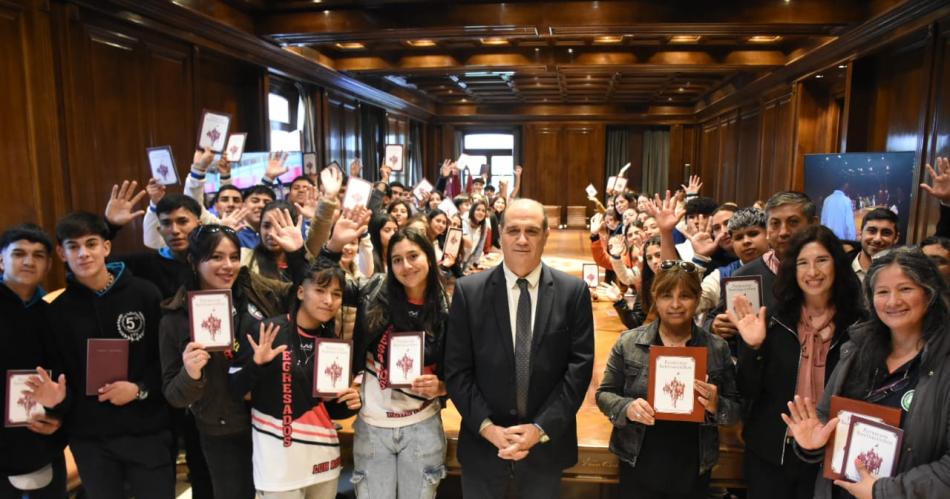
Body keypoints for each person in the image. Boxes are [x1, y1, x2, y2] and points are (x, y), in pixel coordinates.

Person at [445, 198, 595, 499]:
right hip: (484, 447)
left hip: (545, 451)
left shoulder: (573, 292)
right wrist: (489, 429)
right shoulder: (469, 292)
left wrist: (539, 429)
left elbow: (578, 372)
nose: (522, 240)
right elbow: (457, 371)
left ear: (546, 235)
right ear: (500, 235)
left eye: (531, 231)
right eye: (513, 230)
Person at [778, 247, 950, 499]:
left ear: (929, 293)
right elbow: (827, 417)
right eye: (882, 292)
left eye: (905, 289)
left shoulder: (944, 362)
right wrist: (814, 443)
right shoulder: (856, 351)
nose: (893, 301)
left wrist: (882, 492)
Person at [36, 212, 174, 499]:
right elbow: (59, 375)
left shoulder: (145, 294)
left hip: (147, 430)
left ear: (106, 247)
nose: (84, 253)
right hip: (90, 439)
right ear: (61, 253)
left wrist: (139, 389)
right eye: (73, 247)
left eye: (91, 244)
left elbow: (166, 359)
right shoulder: (55, 311)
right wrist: (57, 402)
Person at [159, 224, 295, 499]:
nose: (228, 265)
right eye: (216, 257)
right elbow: (173, 394)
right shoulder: (175, 320)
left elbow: (305, 292)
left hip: (273, 421)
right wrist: (191, 373)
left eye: (234, 256)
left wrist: (301, 251)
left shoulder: (256, 293)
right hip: (222, 429)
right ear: (194, 262)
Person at [728, 225, 865, 499]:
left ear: (837, 265)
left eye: (822, 260)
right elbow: (747, 390)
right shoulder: (773, 319)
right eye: (803, 263)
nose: (812, 272)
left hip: (833, 452)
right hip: (773, 451)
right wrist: (753, 347)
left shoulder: (860, 326)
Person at [321, 216, 452, 499]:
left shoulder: (446, 310)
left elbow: (461, 367)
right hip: (373, 424)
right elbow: (323, 282)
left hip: (421, 423)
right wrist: (332, 247)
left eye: (413, 256)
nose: (406, 266)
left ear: (429, 257)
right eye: (396, 260)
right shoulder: (374, 290)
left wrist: (443, 387)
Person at [596, 261, 740, 499]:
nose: (675, 304)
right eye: (666, 295)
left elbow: (735, 409)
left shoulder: (717, 348)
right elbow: (604, 394)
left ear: (697, 298)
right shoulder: (629, 343)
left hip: (693, 465)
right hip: (638, 459)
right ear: (655, 296)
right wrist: (627, 407)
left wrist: (717, 405)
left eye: (685, 296)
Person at [230, 260, 361, 499]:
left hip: (324, 463)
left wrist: (351, 401)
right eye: (320, 291)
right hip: (277, 468)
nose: (328, 300)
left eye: (336, 294)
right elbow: (234, 391)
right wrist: (257, 365)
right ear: (301, 291)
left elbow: (329, 408)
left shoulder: (333, 345)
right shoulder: (269, 331)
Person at [0, 224, 67, 499]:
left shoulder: (58, 316)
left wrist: (59, 416)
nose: (29, 261)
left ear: (49, 264)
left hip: (41, 440)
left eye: (38, 255)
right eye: (19, 253)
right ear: (1, 259)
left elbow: (68, 377)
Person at [710, 191, 818, 340]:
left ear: (813, 224)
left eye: (793, 222)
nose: (783, 232)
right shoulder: (743, 276)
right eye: (775, 224)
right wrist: (714, 326)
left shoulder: (831, 270)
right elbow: (717, 320)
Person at [850, 208, 900, 282]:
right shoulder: (840, 267)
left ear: (896, 238)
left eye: (886, 233)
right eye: (872, 231)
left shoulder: (904, 273)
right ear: (860, 234)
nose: (877, 239)